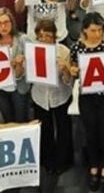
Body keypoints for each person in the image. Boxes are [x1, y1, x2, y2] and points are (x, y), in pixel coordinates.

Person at [69, 12, 104, 193]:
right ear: (84, 30)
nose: (97, 34)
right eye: (93, 30)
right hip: (87, 96)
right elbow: (73, 67)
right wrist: (73, 70)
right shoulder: (77, 48)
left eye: (100, 30)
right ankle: (93, 167)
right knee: (91, 133)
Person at [31, 20, 74, 175]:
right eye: (41, 36)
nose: (44, 39)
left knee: (64, 129)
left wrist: (65, 69)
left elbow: (69, 81)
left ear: (54, 36)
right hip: (40, 96)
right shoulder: (32, 51)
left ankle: (64, 161)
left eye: (48, 36)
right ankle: (47, 161)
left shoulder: (63, 51)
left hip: (60, 95)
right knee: (45, 130)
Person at [0, 7, 30, 122]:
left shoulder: (23, 39)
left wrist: (21, 63)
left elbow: (32, 63)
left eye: (6, 22)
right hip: (0, 89)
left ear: (12, 23)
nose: (3, 26)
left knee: (21, 120)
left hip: (19, 87)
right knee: (7, 120)